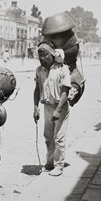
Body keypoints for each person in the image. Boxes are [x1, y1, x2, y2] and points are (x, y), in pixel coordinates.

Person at [33, 43, 71, 176]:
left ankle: (59, 165)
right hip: (47, 107)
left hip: (60, 106)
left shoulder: (62, 69)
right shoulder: (39, 70)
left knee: (59, 137)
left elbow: (65, 91)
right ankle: (49, 163)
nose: (41, 59)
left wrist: (59, 110)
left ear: (52, 55)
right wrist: (36, 107)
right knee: (48, 136)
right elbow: (37, 89)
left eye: (44, 56)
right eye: (39, 56)